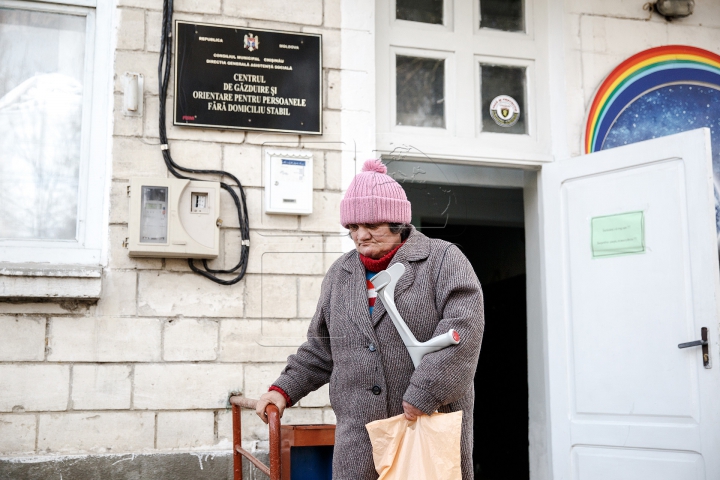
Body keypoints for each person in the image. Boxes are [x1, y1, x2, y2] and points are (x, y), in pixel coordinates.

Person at [255, 159, 484, 479]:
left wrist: (425, 393)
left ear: (398, 223)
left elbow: (463, 331)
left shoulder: (443, 260)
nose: (360, 236)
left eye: (372, 226)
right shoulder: (340, 274)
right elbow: (322, 349)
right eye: (352, 228)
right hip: (358, 445)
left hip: (423, 431)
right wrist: (282, 390)